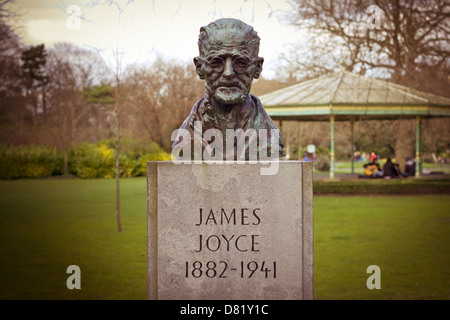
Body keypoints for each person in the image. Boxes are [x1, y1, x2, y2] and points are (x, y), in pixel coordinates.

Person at [172, 18, 285, 160]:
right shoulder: (188, 135)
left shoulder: (268, 135)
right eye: (216, 62)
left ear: (257, 68)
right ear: (200, 68)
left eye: (241, 63)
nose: (228, 73)